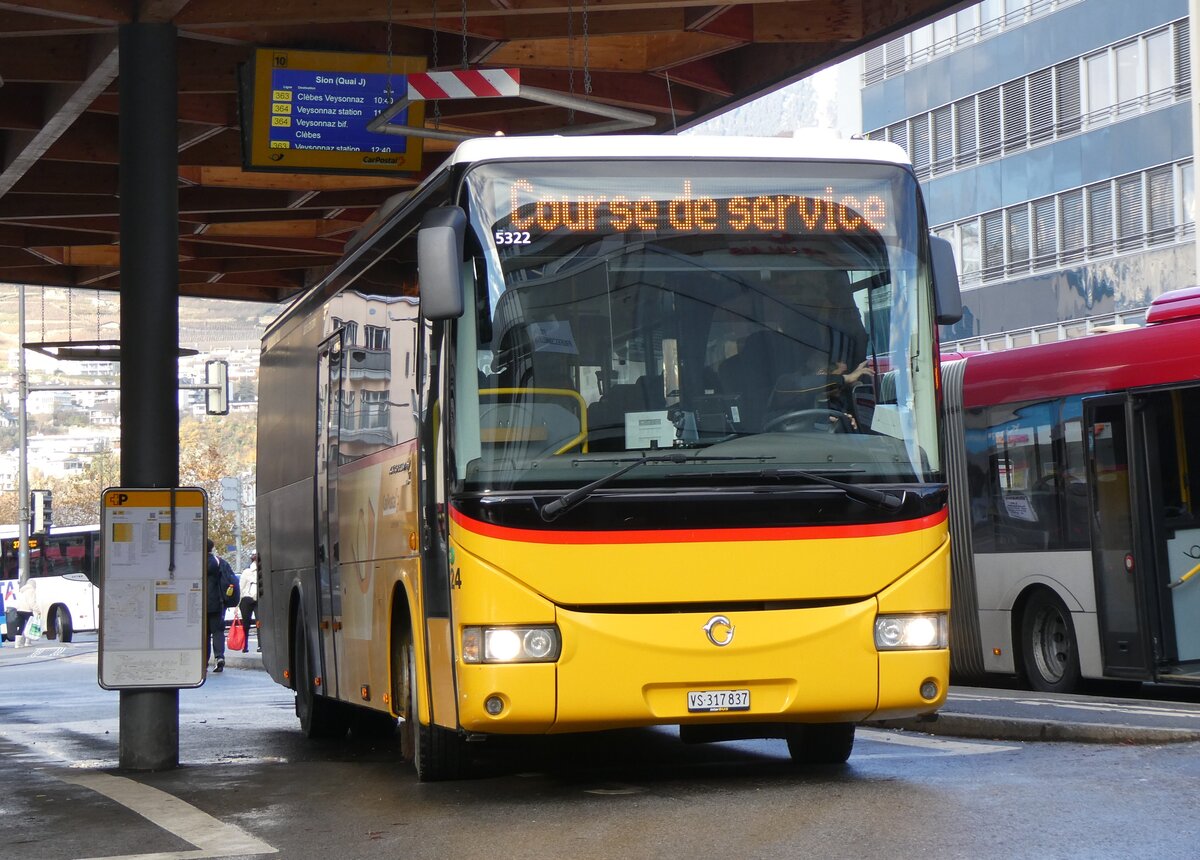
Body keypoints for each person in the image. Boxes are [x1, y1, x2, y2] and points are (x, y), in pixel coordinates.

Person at [205, 539, 239, 672]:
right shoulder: (219, 562)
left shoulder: (195, 562)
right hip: (217, 603)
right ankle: (219, 657)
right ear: (212, 548)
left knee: (204, 634)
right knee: (218, 631)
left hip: (198, 605)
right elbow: (230, 579)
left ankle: (204, 662)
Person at [238, 553, 260, 653]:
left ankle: (259, 645)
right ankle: (245, 645)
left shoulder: (259, 571)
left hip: (253, 599)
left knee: (258, 623)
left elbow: (241, 588)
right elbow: (241, 588)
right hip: (248, 599)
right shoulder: (247, 572)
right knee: (247, 624)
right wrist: (237, 604)